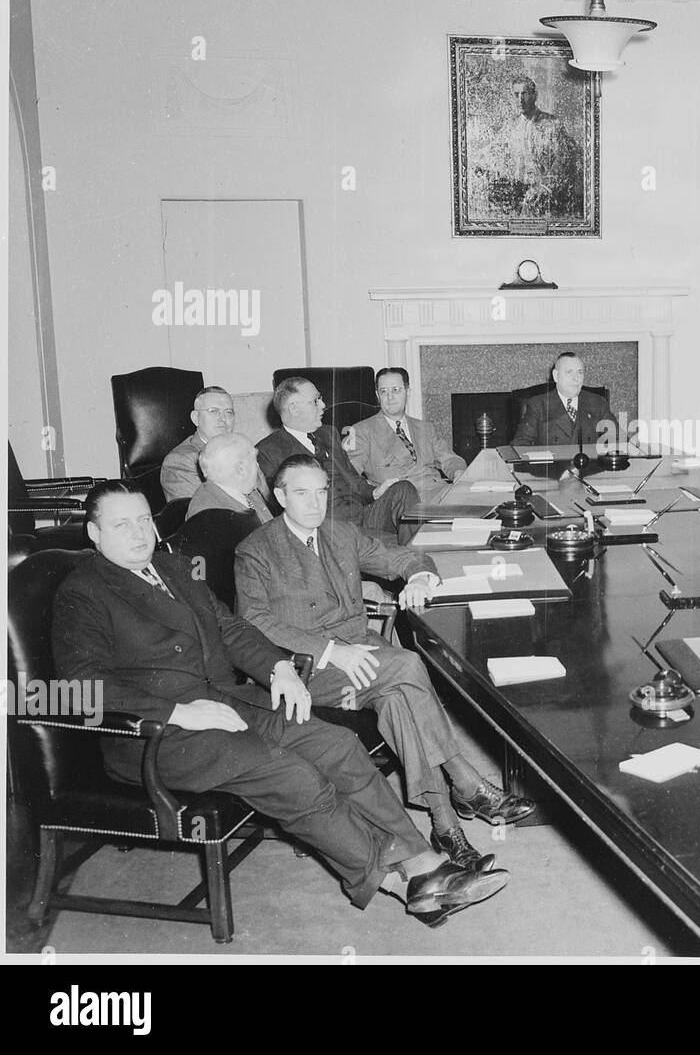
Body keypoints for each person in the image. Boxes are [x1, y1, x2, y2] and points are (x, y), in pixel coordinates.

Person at [53, 481, 508, 928]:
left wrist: (278, 669)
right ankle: (401, 880)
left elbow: (232, 630)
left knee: (337, 744)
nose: (138, 534)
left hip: (226, 701)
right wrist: (179, 713)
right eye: (121, 525)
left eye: (143, 521)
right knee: (293, 775)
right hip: (156, 734)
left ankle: (423, 860)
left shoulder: (172, 567)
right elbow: (82, 683)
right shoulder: (84, 591)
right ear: (94, 533)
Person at [234, 455, 535, 869]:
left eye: (322, 491)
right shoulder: (255, 550)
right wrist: (331, 651)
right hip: (307, 669)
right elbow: (254, 621)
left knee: (397, 701)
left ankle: (446, 826)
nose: (315, 503)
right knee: (409, 664)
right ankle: (466, 780)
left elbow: (399, 556)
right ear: (280, 495)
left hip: (366, 654)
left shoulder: (340, 533)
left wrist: (420, 576)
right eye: (302, 493)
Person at [257, 376, 418, 544]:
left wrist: (374, 492)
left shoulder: (329, 433)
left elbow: (353, 479)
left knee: (403, 489)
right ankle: (410, 553)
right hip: (330, 532)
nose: (323, 405)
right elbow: (283, 511)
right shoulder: (269, 451)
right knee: (398, 543)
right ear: (294, 408)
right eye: (315, 400)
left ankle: (412, 550)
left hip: (362, 516)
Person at [344, 367, 466, 501]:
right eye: (384, 391)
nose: (390, 397)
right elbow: (347, 474)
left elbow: (449, 459)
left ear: (408, 392)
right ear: (378, 396)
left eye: (396, 390)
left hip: (439, 493)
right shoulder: (361, 431)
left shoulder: (425, 428)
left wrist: (457, 472)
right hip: (401, 501)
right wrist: (373, 491)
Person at [487, 75, 581, 218]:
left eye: (524, 94)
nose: (520, 99)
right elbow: (496, 153)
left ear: (534, 95)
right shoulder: (510, 126)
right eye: (516, 94)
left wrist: (543, 187)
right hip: (517, 196)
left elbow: (564, 159)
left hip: (546, 197)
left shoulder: (552, 123)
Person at [162, 386, 269, 502]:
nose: (223, 418)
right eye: (213, 411)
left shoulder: (243, 449)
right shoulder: (181, 462)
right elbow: (203, 515)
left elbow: (266, 500)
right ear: (195, 418)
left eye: (228, 412)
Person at [511, 352, 619, 447]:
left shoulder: (597, 402)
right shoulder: (538, 405)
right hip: (554, 468)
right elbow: (520, 444)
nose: (576, 378)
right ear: (556, 376)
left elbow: (618, 440)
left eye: (580, 372)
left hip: (589, 468)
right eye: (569, 372)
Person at [186, 433, 276, 522]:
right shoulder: (209, 511)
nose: (257, 467)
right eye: (254, 461)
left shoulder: (249, 493)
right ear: (240, 469)